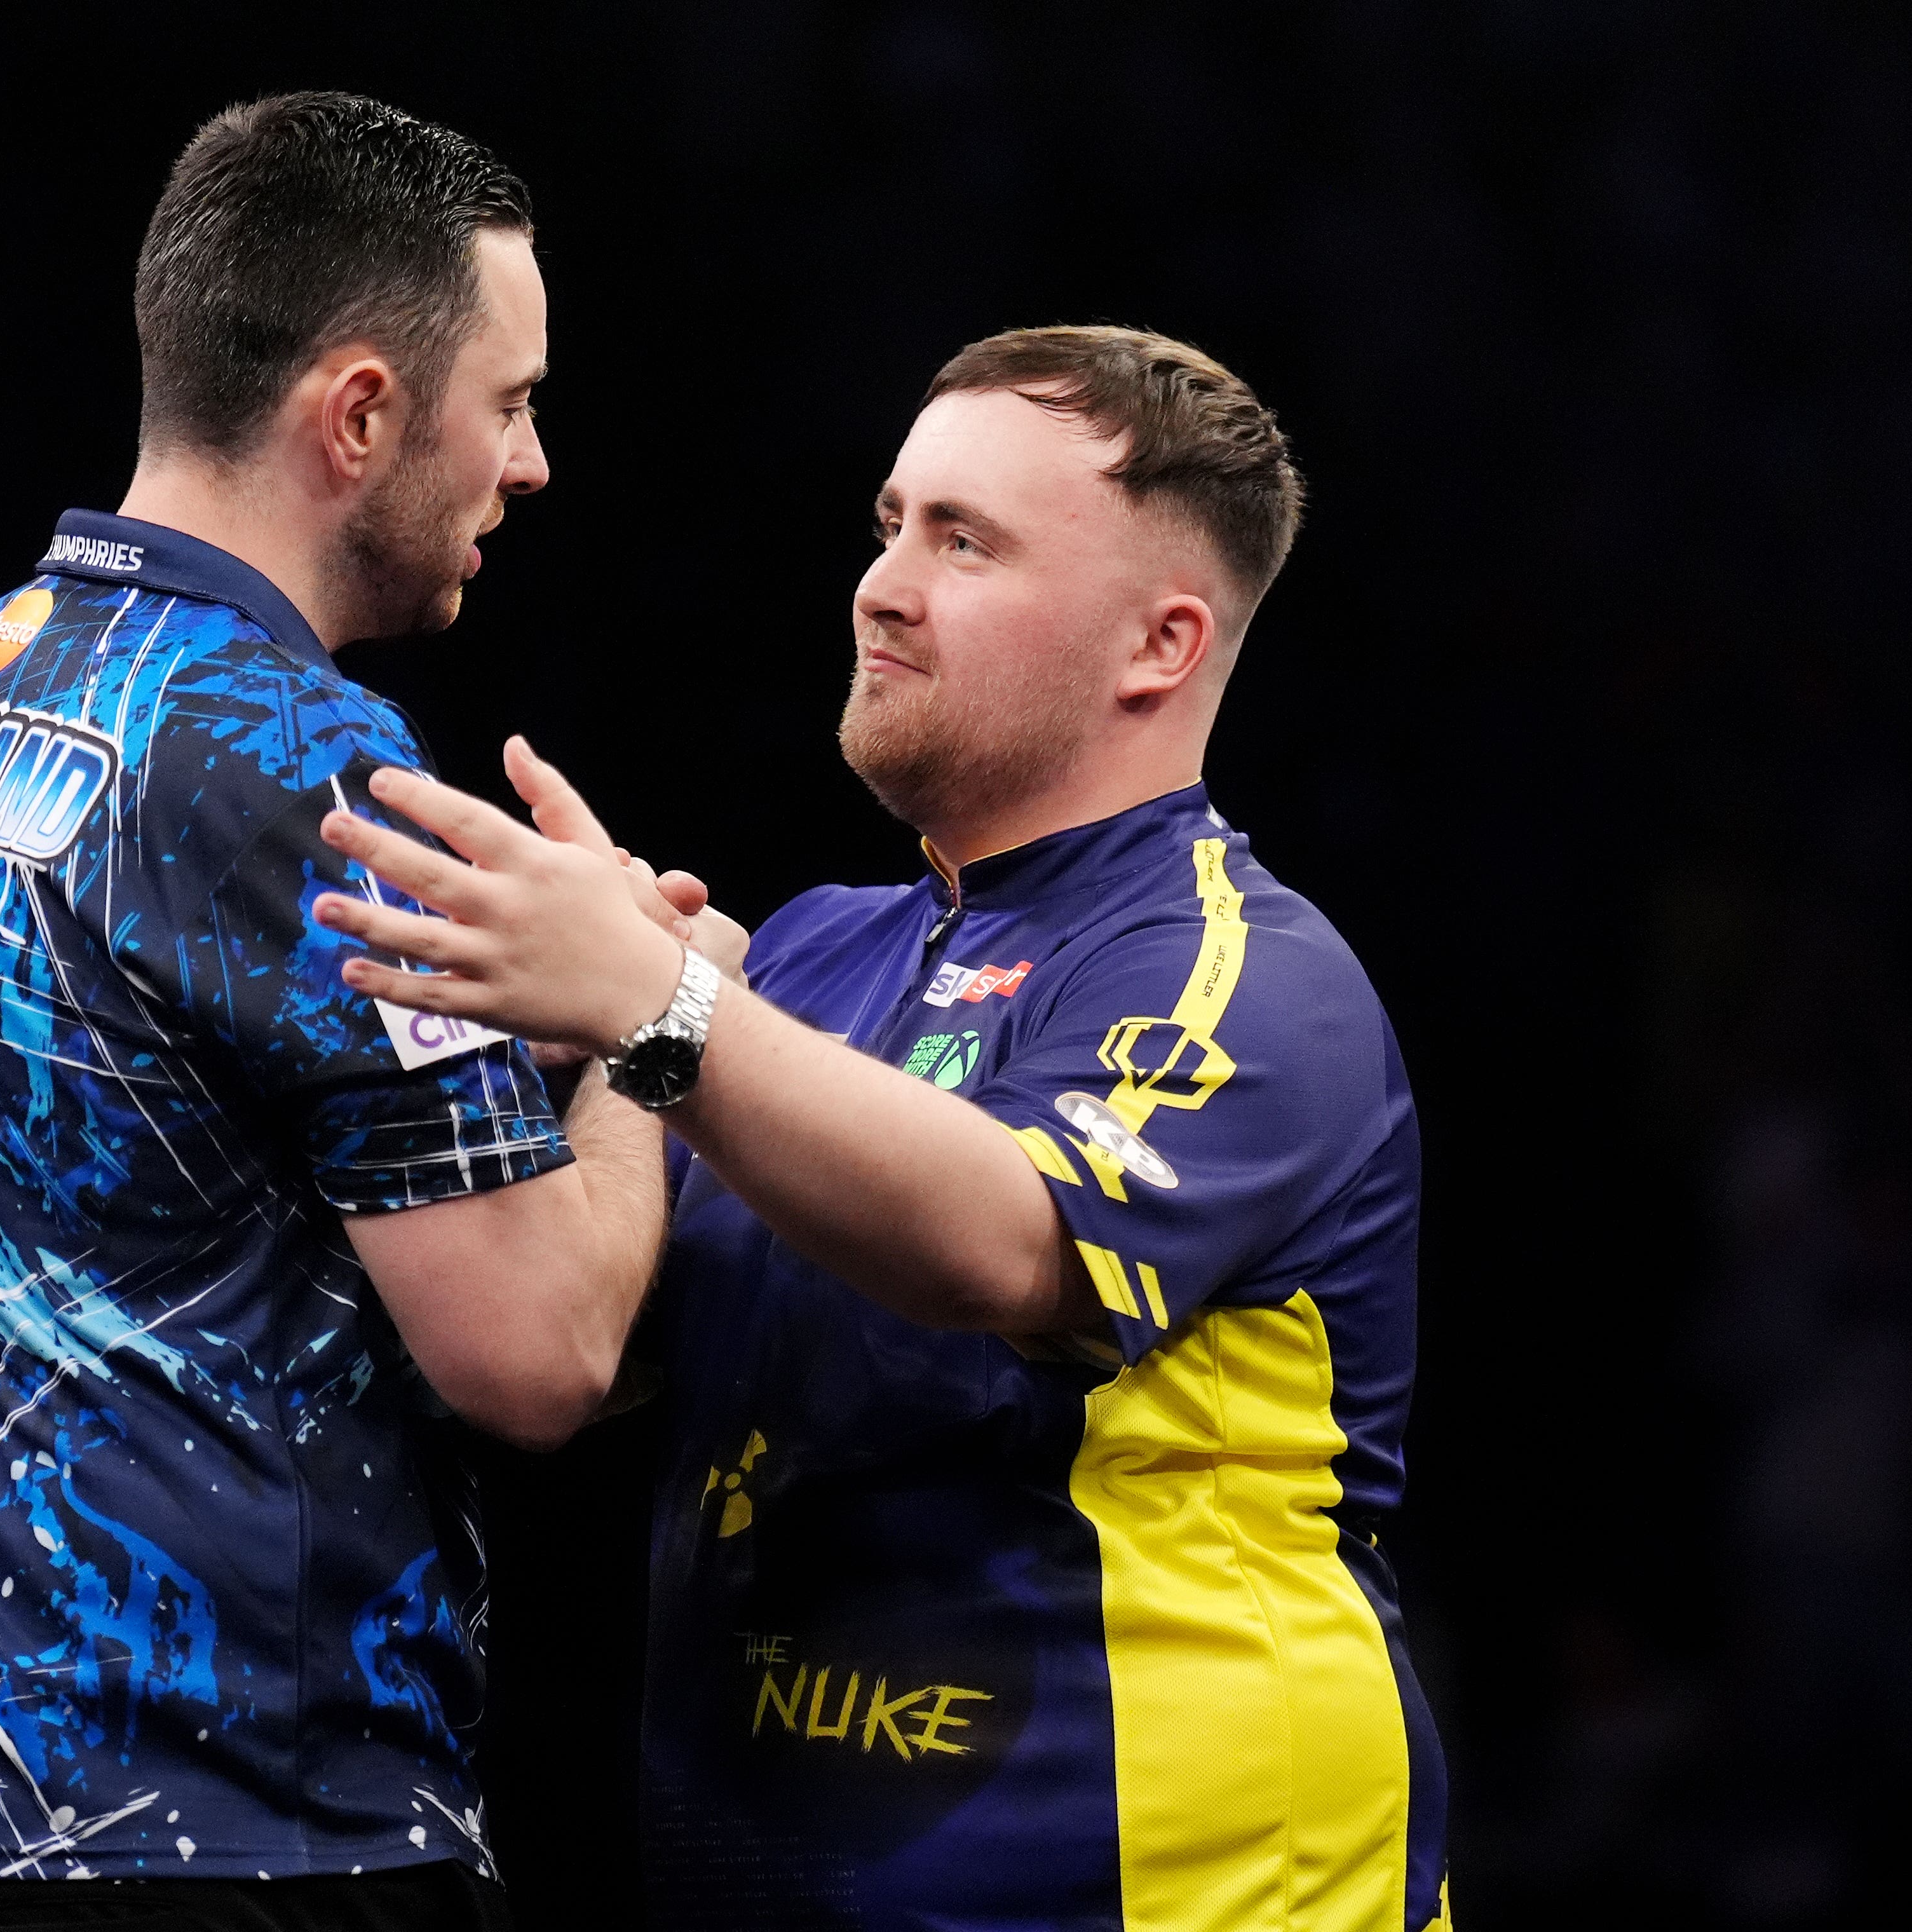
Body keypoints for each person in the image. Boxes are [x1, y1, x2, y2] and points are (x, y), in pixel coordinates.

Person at [312, 325, 1453, 1931]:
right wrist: (604, 1035)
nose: (883, 585)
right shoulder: (812, 959)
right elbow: (591, 1342)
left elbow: (1001, 1238)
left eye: (965, 541)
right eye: (890, 525)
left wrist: (658, 1004)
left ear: (1160, 644)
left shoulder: (1251, 971)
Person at [0, 93, 698, 1932]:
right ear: (362, 415)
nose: (536, 467)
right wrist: (654, 1020)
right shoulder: (307, 766)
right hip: (208, 1839)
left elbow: (131, 1168)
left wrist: (499, 1054)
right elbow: (539, 1352)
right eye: (516, 403)